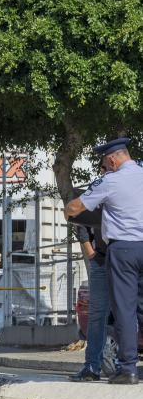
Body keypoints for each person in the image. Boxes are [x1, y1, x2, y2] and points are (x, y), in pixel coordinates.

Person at [65, 137, 143, 385]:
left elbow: (76, 207)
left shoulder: (111, 180)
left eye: (105, 163)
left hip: (124, 251)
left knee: (124, 310)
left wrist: (68, 207)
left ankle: (127, 368)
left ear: (112, 159)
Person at [70, 221, 109, 381]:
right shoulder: (93, 195)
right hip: (101, 259)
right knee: (98, 314)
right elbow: (81, 221)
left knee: (130, 311)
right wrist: (91, 253)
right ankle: (92, 367)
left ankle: (126, 367)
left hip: (128, 258)